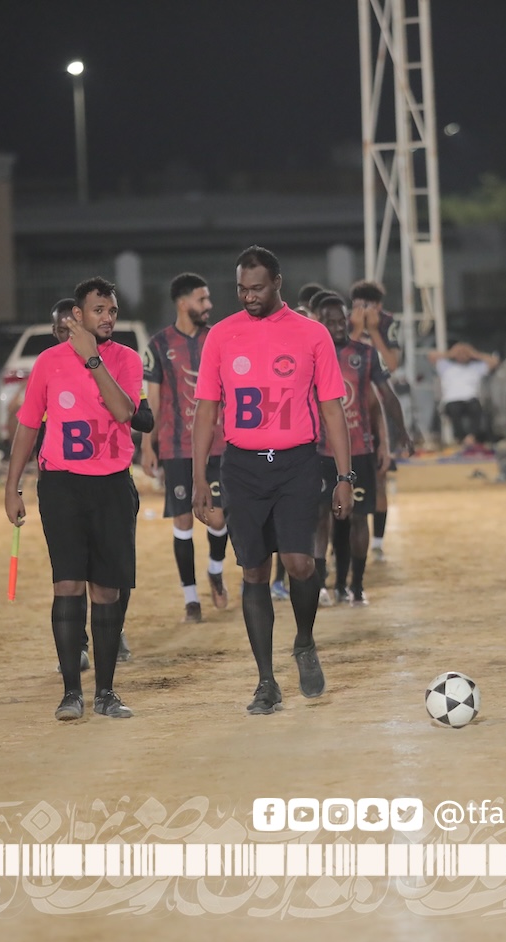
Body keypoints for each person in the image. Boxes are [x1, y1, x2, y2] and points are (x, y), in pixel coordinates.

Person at [190, 245, 354, 716]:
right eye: (242, 289)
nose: (248, 297)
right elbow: (206, 411)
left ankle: (304, 641)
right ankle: (266, 682)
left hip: (297, 463)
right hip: (241, 468)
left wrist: (344, 476)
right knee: (255, 572)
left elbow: (332, 409)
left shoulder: (312, 334)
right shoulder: (221, 336)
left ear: (278, 282)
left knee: (301, 563)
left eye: (257, 288)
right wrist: (200, 477)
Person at [3, 277, 141, 722]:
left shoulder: (126, 359)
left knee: (106, 590)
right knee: (67, 585)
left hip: (112, 485)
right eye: (99, 310)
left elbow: (124, 411)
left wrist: (93, 360)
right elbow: (28, 424)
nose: (108, 317)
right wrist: (12, 486)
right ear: (78, 315)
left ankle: (105, 692)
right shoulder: (48, 362)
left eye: (112, 310)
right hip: (61, 485)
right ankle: (70, 693)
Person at [138, 272, 232, 623]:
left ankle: (215, 569)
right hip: (176, 447)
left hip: (218, 445)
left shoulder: (218, 338)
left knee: (218, 516)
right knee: (182, 520)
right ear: (182, 303)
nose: (209, 305)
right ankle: (191, 599)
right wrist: (147, 445)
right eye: (201, 299)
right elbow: (153, 400)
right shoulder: (158, 345)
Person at [312, 292, 390, 605]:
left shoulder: (364, 355)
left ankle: (355, 585)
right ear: (319, 322)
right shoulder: (311, 355)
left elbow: (378, 402)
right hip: (320, 452)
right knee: (321, 517)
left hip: (359, 450)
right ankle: (321, 584)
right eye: (329, 321)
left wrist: (389, 440)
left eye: (340, 320)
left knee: (356, 518)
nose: (336, 326)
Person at [349, 279, 410, 563]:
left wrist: (373, 331)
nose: (363, 310)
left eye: (368, 305)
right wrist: (356, 328)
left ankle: (377, 542)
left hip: (377, 404)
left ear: (378, 306)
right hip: (350, 403)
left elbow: (391, 364)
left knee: (379, 474)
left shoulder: (387, 323)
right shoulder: (343, 321)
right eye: (358, 305)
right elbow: (341, 357)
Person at [430, 342, 497, 449]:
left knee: (476, 408)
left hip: (470, 399)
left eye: (464, 353)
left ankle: (471, 437)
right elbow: (431, 356)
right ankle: (460, 438)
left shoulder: (476, 367)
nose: (462, 355)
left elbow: (494, 361)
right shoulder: (446, 367)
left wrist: (474, 353)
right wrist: (452, 353)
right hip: (452, 400)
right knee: (454, 409)